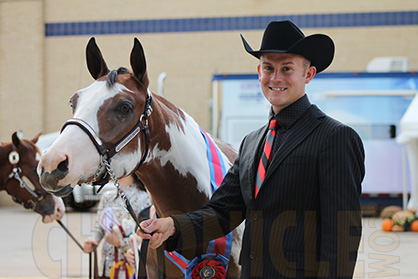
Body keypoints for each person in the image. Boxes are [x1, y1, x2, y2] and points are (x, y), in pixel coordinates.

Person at [137, 20, 365, 279]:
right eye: (269, 68)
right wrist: (172, 226)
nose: (276, 78)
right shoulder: (252, 143)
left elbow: (341, 236)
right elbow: (222, 213)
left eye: (287, 68)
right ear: (259, 72)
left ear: (308, 74)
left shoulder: (335, 138)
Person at [84, 174, 152, 279]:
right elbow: (98, 228)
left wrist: (121, 242)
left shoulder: (144, 198)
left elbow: (147, 238)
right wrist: (92, 240)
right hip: (107, 267)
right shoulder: (107, 196)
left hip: (130, 266)